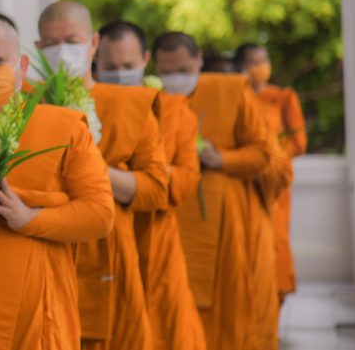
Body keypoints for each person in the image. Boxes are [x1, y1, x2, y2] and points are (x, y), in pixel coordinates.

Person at [0, 18, 115, 350]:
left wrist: (29, 217)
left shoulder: (62, 127)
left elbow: (100, 214)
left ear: (21, 65)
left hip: (35, 314)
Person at [37, 1, 168, 350]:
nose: (62, 50)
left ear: (93, 43)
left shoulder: (130, 104)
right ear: (37, 49)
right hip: (43, 247)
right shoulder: (24, 106)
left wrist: (91, 171)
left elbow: (156, 189)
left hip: (111, 252)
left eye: (72, 39)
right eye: (51, 43)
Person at [152, 32, 274, 350]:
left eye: (182, 69)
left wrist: (222, 159)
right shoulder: (152, 100)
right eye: (166, 72)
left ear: (198, 60)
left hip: (224, 222)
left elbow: (263, 152)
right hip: (174, 215)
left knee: (227, 308)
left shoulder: (231, 90)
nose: (174, 79)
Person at [95, 21, 206, 350]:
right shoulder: (84, 109)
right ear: (95, 64)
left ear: (145, 59)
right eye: (110, 67)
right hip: (106, 238)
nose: (119, 73)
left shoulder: (173, 110)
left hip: (157, 236)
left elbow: (185, 180)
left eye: (128, 66)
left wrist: (142, 175)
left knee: (166, 327)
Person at [235, 43, 306, 305]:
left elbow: (299, 142)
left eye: (264, 60)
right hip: (244, 181)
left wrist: (269, 156)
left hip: (275, 185)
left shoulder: (283, 97)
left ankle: (276, 301)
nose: (260, 67)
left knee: (276, 240)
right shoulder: (237, 96)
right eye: (254, 61)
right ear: (242, 66)